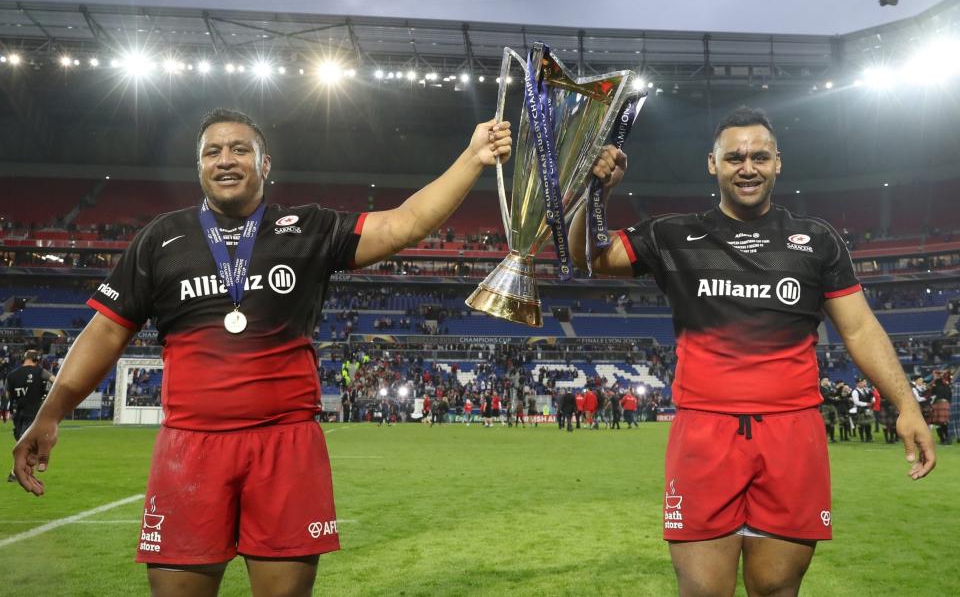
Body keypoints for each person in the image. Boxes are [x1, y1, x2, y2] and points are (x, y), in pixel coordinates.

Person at [12, 108, 511, 596]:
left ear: (264, 164)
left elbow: (404, 223)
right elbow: (104, 334)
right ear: (199, 166)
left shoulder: (308, 228)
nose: (225, 159)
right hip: (191, 448)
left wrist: (472, 157)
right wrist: (50, 414)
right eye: (212, 151)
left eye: (239, 149)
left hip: (285, 447)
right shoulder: (161, 239)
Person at [569, 106, 935, 596]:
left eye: (759, 156)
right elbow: (586, 257)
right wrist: (600, 190)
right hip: (704, 432)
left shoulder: (817, 241)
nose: (748, 167)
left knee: (776, 588)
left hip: (791, 433)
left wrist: (907, 405)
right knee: (702, 591)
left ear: (778, 163)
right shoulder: (672, 234)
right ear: (712, 164)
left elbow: (861, 329)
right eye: (735, 157)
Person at [6, 350, 55, 482]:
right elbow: (55, 382)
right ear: (37, 359)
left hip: (17, 415)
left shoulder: (11, 375)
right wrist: (45, 394)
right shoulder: (41, 372)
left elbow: (7, 395)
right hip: (34, 414)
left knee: (22, 443)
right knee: (28, 445)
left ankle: (16, 473)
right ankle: (16, 472)